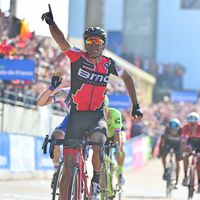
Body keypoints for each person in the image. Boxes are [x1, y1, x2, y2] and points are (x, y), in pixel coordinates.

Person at [41, 5, 143, 200]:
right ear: (86, 43)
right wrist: (52, 24)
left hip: (97, 116)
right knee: (69, 165)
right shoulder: (77, 57)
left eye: (98, 42)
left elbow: (128, 78)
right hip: (77, 116)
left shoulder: (109, 64)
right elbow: (61, 42)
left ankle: (95, 183)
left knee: (97, 143)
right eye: (90, 41)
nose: (94, 45)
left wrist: (135, 105)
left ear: (103, 45)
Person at [37, 71, 71, 189]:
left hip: (87, 122)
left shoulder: (92, 89)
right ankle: (57, 171)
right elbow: (41, 103)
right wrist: (52, 88)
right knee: (55, 138)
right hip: (70, 121)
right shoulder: (67, 91)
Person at [103, 95, 126, 186]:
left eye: (104, 110)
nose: (103, 114)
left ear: (107, 107)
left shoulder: (115, 113)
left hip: (116, 134)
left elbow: (117, 133)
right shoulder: (97, 115)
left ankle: (120, 172)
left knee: (121, 144)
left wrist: (118, 148)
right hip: (105, 136)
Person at [158, 118, 182, 187]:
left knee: (177, 162)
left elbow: (184, 143)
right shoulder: (166, 130)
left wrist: (181, 153)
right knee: (163, 155)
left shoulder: (181, 131)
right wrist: (160, 152)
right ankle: (165, 170)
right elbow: (162, 143)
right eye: (172, 130)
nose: (173, 132)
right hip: (168, 144)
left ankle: (176, 181)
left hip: (178, 145)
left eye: (175, 130)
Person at [182, 112, 200, 192]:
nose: (192, 126)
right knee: (186, 155)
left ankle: (199, 183)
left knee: (199, 162)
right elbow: (183, 139)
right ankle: (186, 176)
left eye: (194, 124)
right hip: (191, 142)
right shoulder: (185, 127)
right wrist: (184, 148)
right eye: (190, 124)